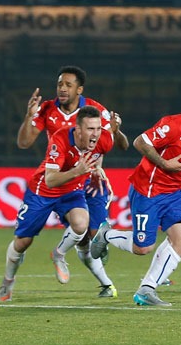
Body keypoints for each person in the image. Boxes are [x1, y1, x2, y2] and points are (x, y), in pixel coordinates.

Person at [90, 90, 181, 306]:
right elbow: (140, 142)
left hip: (175, 194)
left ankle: (147, 289)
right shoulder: (174, 125)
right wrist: (164, 163)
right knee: (142, 248)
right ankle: (106, 235)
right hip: (148, 190)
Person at [17, 65, 129, 290]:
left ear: (79, 89)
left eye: (68, 85)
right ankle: (104, 282)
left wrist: (100, 160)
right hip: (63, 176)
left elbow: (110, 143)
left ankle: (100, 270)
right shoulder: (47, 109)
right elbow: (24, 143)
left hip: (89, 178)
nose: (62, 89)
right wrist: (29, 116)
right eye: (60, 84)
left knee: (94, 235)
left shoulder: (95, 110)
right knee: (82, 233)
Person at [0, 106, 115, 302]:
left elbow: (98, 154)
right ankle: (8, 281)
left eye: (98, 128)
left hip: (72, 191)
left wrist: (96, 171)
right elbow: (50, 180)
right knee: (23, 242)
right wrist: (78, 171)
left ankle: (59, 254)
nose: (95, 134)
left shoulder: (104, 139)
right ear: (78, 129)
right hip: (42, 192)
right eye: (90, 129)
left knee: (81, 224)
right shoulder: (60, 139)